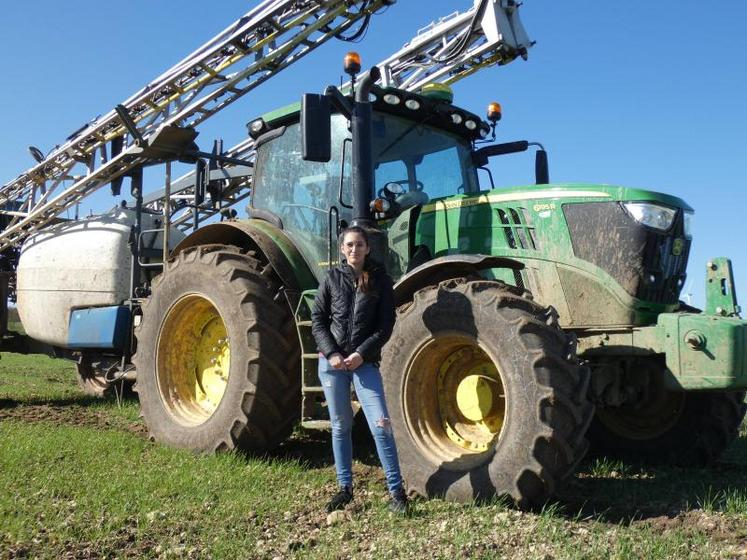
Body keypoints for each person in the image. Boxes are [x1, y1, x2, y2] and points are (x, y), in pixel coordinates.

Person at [311, 225, 408, 514]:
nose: (354, 250)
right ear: (343, 249)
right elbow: (318, 319)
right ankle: (345, 489)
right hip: (332, 365)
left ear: (368, 249)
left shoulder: (380, 281)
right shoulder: (331, 278)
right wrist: (332, 353)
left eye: (359, 245)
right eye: (349, 245)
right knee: (341, 426)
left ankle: (397, 493)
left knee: (381, 424)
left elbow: (385, 326)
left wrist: (360, 354)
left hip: (363, 364)